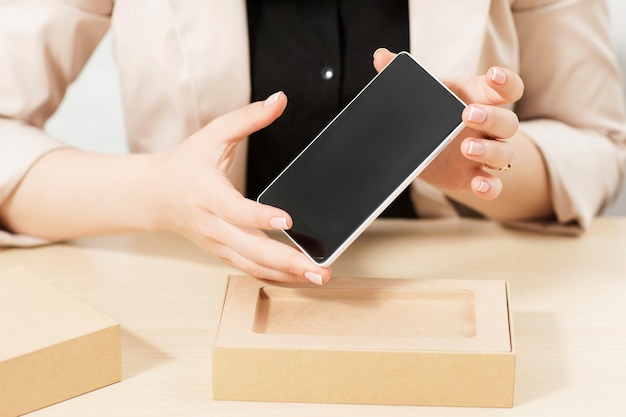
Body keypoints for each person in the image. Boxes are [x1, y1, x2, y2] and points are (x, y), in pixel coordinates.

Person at [0, 1, 624, 285]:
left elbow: (597, 145)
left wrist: (483, 164)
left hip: (453, 285)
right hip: (201, 295)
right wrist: (162, 194)